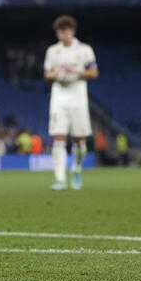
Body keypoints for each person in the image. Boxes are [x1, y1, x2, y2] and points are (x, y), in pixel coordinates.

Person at [43, 16, 98, 191]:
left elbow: (94, 72)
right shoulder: (53, 51)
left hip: (78, 97)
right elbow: (47, 74)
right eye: (60, 31)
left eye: (66, 30)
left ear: (72, 31)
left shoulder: (84, 50)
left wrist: (77, 71)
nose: (63, 33)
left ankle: (76, 169)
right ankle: (59, 178)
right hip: (59, 97)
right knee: (58, 138)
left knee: (79, 141)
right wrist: (56, 74)